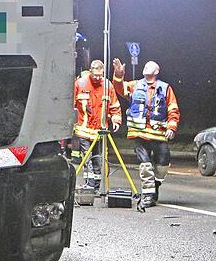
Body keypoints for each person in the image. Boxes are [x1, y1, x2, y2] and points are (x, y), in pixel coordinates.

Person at [112, 58, 180, 207]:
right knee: (146, 165)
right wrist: (118, 74)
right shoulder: (135, 85)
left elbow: (173, 109)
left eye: (150, 66)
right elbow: (118, 88)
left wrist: (171, 128)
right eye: (145, 65)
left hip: (158, 134)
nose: (146, 67)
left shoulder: (165, 88)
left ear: (156, 71)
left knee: (163, 163)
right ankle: (148, 196)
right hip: (140, 133)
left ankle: (155, 186)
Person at [73, 60, 122, 188]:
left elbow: (114, 105)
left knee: (98, 158)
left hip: (100, 131)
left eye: (100, 75)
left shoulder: (107, 85)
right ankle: (89, 184)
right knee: (87, 158)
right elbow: (71, 104)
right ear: (90, 71)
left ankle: (97, 184)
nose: (97, 78)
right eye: (95, 75)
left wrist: (116, 120)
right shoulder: (80, 83)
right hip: (84, 129)